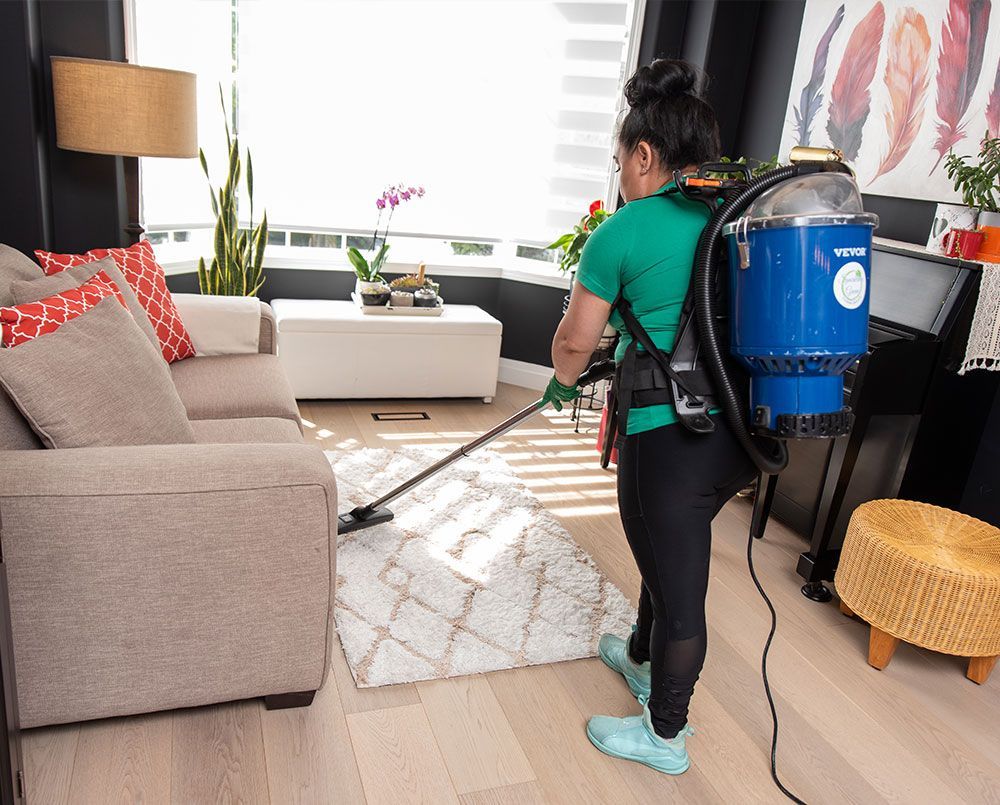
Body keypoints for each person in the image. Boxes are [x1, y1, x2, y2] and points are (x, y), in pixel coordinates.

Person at [541, 58, 756, 775]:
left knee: (676, 578)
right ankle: (638, 656)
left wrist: (561, 379)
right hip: (739, 432)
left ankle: (664, 735)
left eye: (619, 162)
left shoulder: (626, 229)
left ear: (643, 154)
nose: (619, 178)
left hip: (669, 433)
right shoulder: (730, 221)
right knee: (665, 555)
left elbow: (575, 340)